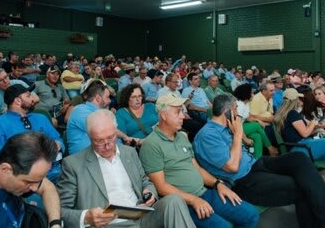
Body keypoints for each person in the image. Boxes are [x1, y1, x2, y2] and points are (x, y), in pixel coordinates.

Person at [193, 94, 325, 228]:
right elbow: (233, 167)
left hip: (256, 164)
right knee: (301, 186)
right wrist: (238, 135)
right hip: (243, 180)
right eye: (236, 110)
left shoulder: (227, 127)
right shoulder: (208, 135)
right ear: (227, 112)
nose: (238, 114)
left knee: (300, 158)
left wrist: (237, 133)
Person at [57, 109, 195, 228]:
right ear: (89, 137)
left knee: (174, 200)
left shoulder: (129, 153)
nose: (107, 145)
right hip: (109, 224)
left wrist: (150, 192)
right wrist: (86, 217)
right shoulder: (73, 165)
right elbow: (59, 211)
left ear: (116, 131)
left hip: (141, 215)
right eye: (99, 140)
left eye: (111, 137)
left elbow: (145, 181)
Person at [139, 95, 259, 228]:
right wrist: (194, 200)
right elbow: (161, 187)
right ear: (164, 115)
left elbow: (197, 168)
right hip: (184, 204)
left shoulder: (182, 137)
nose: (183, 116)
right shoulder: (151, 145)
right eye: (177, 112)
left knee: (251, 215)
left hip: (204, 192)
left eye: (182, 111)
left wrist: (218, 183)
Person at [0, 84, 65, 182]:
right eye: (28, 96)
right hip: (23, 179)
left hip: (55, 172)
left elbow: (59, 139)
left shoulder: (41, 118)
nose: (33, 99)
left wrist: (58, 145)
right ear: (18, 100)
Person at [67, 80, 112, 154]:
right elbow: (101, 130)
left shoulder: (101, 112)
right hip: (84, 159)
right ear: (98, 98)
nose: (109, 101)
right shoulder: (80, 110)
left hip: (100, 154)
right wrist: (124, 137)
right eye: (107, 97)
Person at [233, 84, 277, 158]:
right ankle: (270, 148)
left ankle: (257, 161)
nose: (253, 94)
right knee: (256, 125)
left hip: (243, 127)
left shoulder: (246, 104)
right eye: (251, 93)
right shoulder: (239, 105)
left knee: (257, 136)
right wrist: (245, 139)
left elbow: (248, 117)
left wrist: (259, 121)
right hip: (235, 130)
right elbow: (237, 125)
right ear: (246, 94)